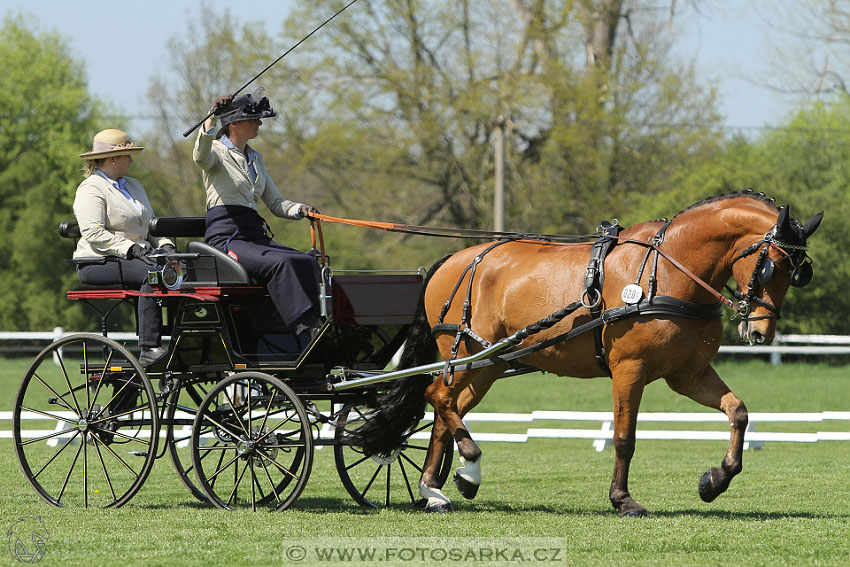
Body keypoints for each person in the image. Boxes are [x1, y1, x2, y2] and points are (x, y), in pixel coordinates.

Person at [192, 93, 322, 341]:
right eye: (253, 119)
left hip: (254, 236)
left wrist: (300, 209)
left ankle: (321, 320)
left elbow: (275, 202)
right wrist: (211, 117)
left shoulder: (256, 158)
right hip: (227, 239)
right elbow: (199, 156)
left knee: (308, 261)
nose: (259, 124)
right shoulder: (216, 154)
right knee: (280, 264)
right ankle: (304, 331)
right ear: (234, 124)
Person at [73, 129, 175, 365]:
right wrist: (131, 248)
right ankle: (150, 347)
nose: (131, 160)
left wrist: (167, 246)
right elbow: (93, 233)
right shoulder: (91, 188)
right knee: (154, 275)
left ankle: (181, 340)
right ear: (112, 159)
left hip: (137, 257)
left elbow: (149, 227)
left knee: (181, 270)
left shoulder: (134, 186)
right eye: (127, 155)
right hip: (98, 261)